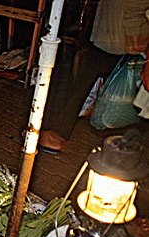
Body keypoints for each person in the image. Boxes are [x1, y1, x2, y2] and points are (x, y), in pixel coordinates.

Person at [38, 0, 149, 153]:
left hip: (120, 34)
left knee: (86, 84)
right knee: (85, 82)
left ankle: (56, 135)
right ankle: (55, 135)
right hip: (121, 34)